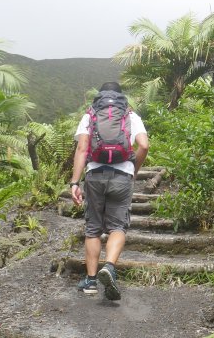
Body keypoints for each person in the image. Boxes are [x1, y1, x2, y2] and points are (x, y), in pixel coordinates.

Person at [70, 82, 149, 300]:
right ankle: (110, 267)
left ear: (100, 96)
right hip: (122, 176)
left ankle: (91, 281)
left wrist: (75, 182)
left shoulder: (91, 114)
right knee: (118, 227)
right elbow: (143, 145)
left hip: (95, 175)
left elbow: (82, 148)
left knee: (93, 228)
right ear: (121, 96)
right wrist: (134, 169)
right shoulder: (130, 115)